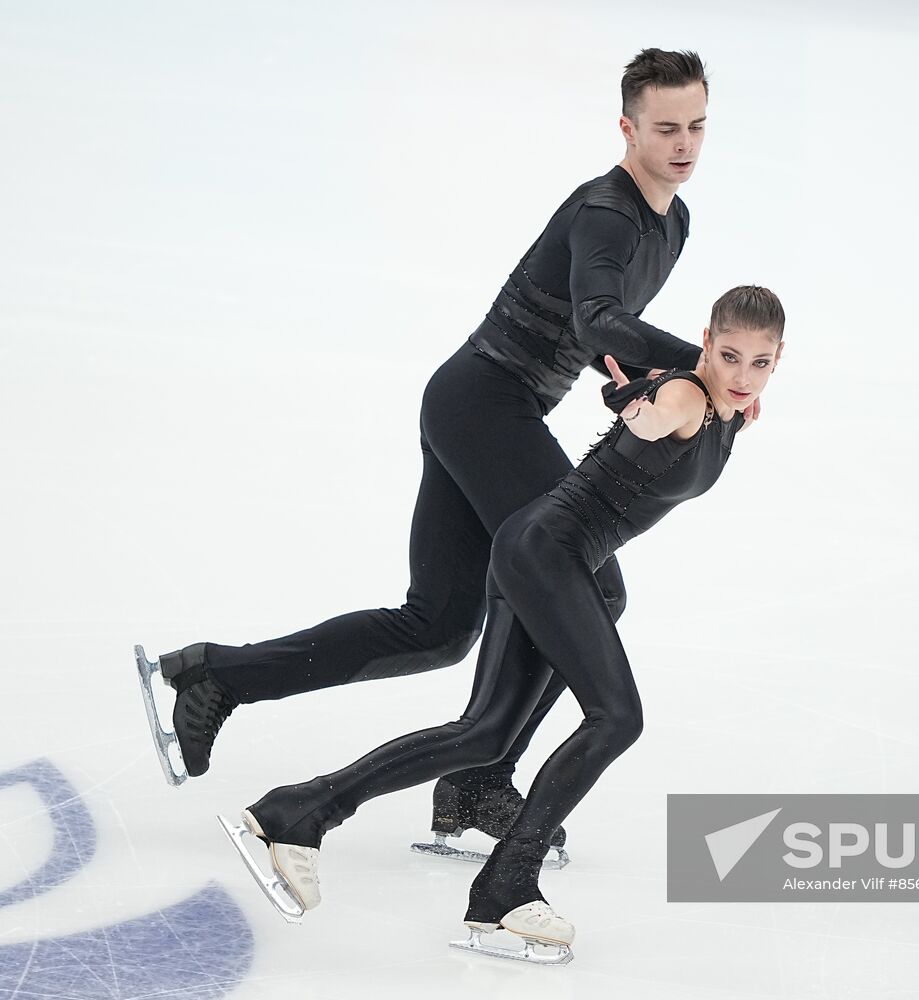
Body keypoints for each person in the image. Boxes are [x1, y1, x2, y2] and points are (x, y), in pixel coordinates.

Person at [135, 49, 759, 856]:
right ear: (628, 128)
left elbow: (609, 352)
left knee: (436, 626)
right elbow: (600, 321)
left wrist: (682, 389)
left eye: (697, 126)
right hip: (483, 401)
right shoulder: (607, 213)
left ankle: (214, 674)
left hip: (488, 405)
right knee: (589, 587)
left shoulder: (672, 222)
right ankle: (477, 778)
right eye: (665, 127)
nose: (683, 143)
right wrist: (712, 377)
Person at [220, 286, 786, 964]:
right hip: (547, 552)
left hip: (539, 551)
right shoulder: (690, 400)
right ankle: (507, 885)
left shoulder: (735, 413)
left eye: (759, 362)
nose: (740, 374)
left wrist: (670, 396)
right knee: (616, 718)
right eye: (727, 355)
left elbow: (700, 408)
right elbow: (664, 414)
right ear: (705, 341)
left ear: (777, 362)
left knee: (486, 733)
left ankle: (296, 813)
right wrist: (644, 412)